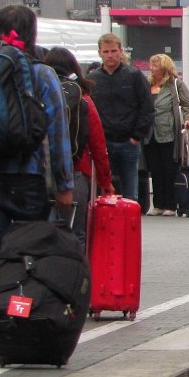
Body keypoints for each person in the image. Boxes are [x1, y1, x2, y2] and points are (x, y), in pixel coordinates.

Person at [0, 6, 73, 280]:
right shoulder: (41, 74)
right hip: (26, 179)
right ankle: (23, 310)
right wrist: (64, 184)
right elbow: (57, 134)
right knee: (30, 251)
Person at [44, 46, 115, 250]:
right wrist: (105, 181)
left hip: (42, 174)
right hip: (76, 172)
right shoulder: (82, 98)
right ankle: (77, 278)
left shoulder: (39, 93)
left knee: (44, 233)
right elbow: (98, 144)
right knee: (75, 234)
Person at [87, 33, 154, 203]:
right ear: (100, 53)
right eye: (106, 51)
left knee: (130, 192)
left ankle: (129, 225)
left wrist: (136, 136)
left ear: (120, 51)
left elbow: (147, 107)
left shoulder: (134, 76)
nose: (110, 55)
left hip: (128, 141)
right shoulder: (92, 80)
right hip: (103, 142)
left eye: (114, 51)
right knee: (105, 191)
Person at [143, 53, 189, 216]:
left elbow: (188, 104)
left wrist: (187, 120)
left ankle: (171, 204)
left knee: (169, 168)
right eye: (150, 65)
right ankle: (157, 204)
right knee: (155, 169)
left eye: (155, 65)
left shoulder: (176, 84)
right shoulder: (147, 84)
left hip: (169, 132)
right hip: (150, 133)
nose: (151, 68)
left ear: (164, 68)